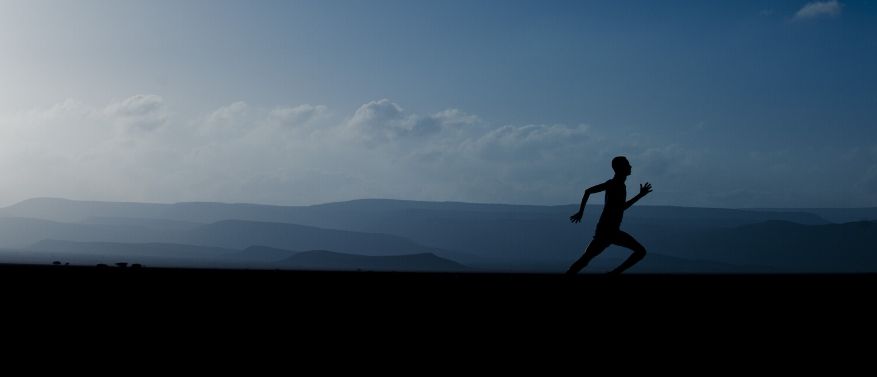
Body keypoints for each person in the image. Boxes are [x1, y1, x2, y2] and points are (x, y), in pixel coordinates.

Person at [567, 156, 652, 275]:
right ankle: (614, 274)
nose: (630, 166)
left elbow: (620, 207)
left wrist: (640, 195)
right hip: (608, 230)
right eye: (627, 164)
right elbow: (589, 191)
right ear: (620, 168)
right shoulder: (614, 184)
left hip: (608, 230)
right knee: (640, 251)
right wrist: (581, 212)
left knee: (585, 259)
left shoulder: (618, 184)